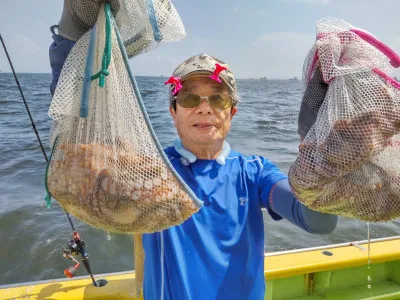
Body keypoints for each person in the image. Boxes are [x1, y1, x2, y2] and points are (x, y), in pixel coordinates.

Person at [49, 3, 338, 300]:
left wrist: (321, 144)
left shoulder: (254, 173)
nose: (204, 107)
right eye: (189, 99)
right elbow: (80, 143)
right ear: (173, 112)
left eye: (218, 99)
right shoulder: (151, 169)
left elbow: (318, 221)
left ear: (232, 113)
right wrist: (73, 34)